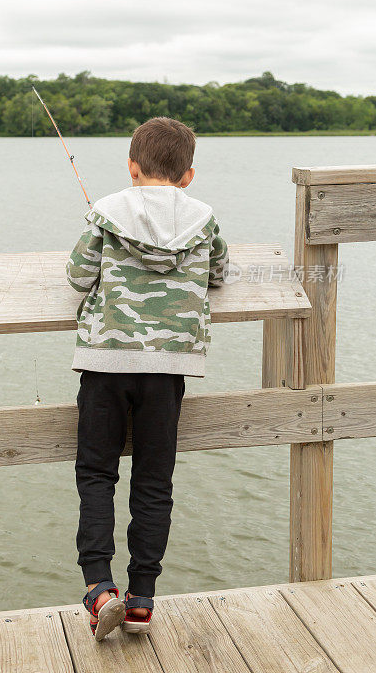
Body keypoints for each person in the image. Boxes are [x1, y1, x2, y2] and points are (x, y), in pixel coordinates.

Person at [66, 117, 229, 641]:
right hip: (169, 370)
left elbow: (76, 275)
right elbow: (220, 274)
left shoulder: (105, 212)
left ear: (132, 168)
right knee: (154, 482)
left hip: (106, 364)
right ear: (189, 175)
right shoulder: (204, 220)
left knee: (97, 474)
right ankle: (141, 599)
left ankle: (98, 588)